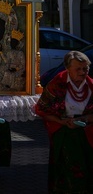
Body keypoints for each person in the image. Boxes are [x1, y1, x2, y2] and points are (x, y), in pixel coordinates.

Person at [35, 50, 93, 193]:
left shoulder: (91, 85)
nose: (82, 72)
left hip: (87, 135)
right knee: (67, 173)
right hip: (65, 134)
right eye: (78, 69)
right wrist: (62, 122)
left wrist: (84, 119)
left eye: (85, 68)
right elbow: (42, 110)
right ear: (68, 69)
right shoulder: (56, 85)